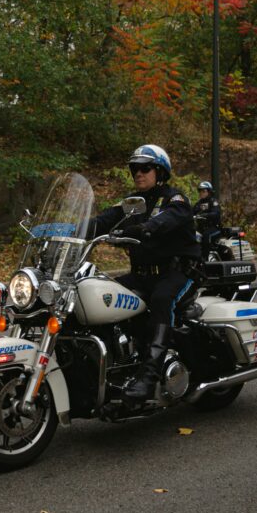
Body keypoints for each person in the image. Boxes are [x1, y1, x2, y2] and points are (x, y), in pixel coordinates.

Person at [90, 144, 200, 400]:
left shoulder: (175, 200)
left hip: (177, 273)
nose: (138, 173)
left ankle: (149, 377)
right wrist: (68, 230)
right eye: (134, 169)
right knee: (101, 296)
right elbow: (102, 221)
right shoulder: (131, 204)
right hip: (141, 275)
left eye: (145, 168)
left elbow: (165, 221)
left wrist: (145, 228)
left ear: (160, 172)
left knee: (162, 300)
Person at [194, 181, 223, 260]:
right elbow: (191, 212)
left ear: (209, 192)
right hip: (201, 228)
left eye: (203, 191)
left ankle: (205, 259)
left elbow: (216, 213)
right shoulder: (198, 203)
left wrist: (205, 215)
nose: (201, 193)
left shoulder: (213, 202)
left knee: (206, 235)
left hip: (214, 228)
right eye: (200, 191)